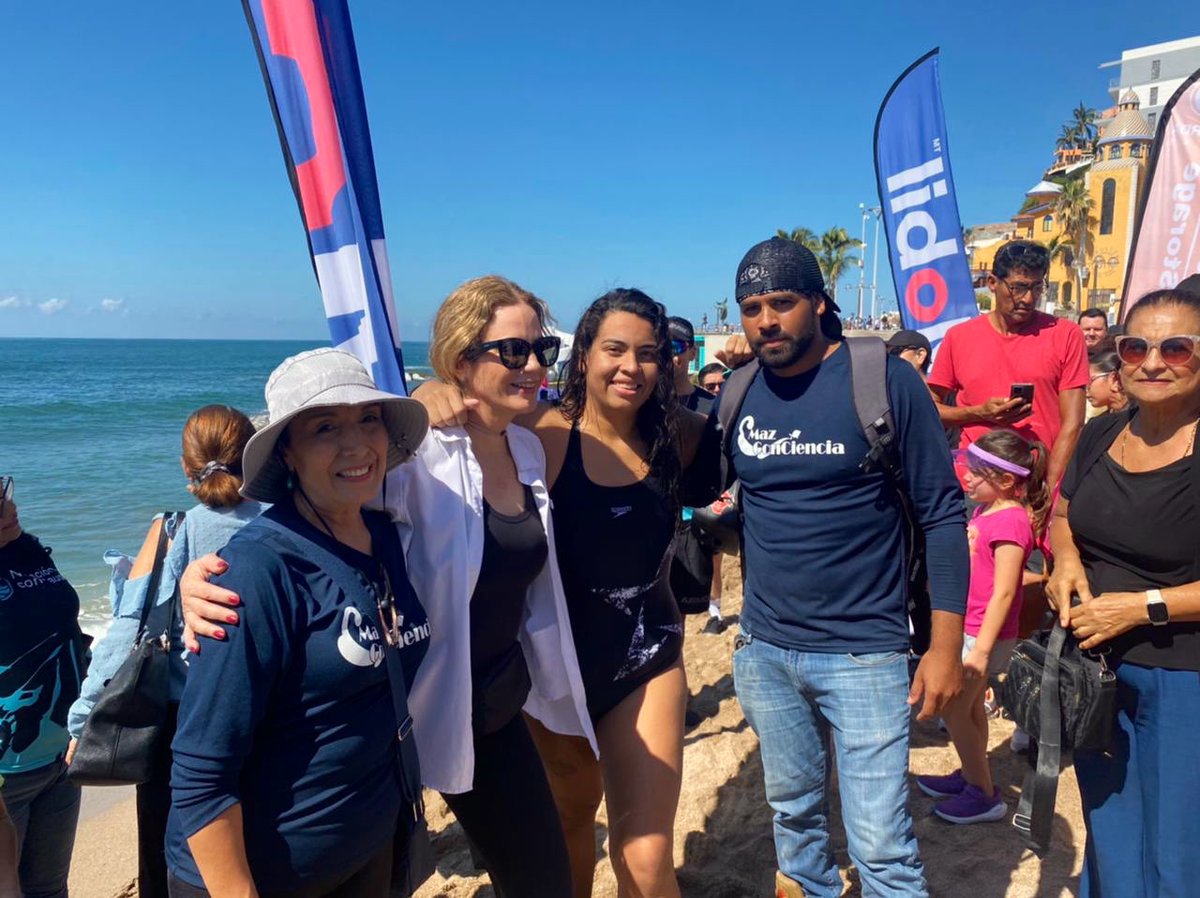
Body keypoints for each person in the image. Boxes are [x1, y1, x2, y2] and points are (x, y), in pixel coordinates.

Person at [413, 288, 719, 898]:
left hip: (646, 660)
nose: (631, 366)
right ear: (582, 357)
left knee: (646, 857)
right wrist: (424, 393)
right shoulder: (538, 436)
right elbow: (464, 424)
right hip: (553, 673)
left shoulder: (682, 436)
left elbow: (774, 479)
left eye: (648, 353)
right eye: (614, 349)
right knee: (570, 825)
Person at [722, 237, 967, 897]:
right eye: (752, 307)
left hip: (866, 654)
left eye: (781, 302)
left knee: (882, 847)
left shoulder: (884, 379)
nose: (766, 319)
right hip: (766, 651)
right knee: (794, 821)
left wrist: (944, 649)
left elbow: (943, 515)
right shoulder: (739, 392)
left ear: (819, 302)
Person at [165, 349, 431, 898]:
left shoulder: (383, 536)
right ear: (286, 452)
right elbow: (201, 775)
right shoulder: (255, 572)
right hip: (264, 873)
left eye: (369, 419)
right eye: (325, 427)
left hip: (368, 845)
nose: (356, 444)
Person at [64, 406, 261, 898]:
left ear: (184, 466)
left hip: (185, 721)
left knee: (168, 853)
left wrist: (83, 720)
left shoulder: (175, 528)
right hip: (269, 707)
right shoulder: (288, 522)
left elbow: (126, 632)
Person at [1047, 288, 1200, 897]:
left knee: (1177, 846)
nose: (1153, 362)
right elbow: (1061, 514)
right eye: (1135, 347)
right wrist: (1064, 561)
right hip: (1097, 670)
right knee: (1108, 828)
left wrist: (1143, 607)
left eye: (1177, 348)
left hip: (1183, 677)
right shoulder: (1100, 434)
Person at [916, 429, 1047, 823]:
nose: (966, 478)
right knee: (968, 709)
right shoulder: (985, 511)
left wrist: (982, 650)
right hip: (970, 629)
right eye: (966, 468)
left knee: (955, 711)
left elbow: (1005, 592)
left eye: (976, 472)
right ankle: (974, 774)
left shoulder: (1009, 521)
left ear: (1007, 481)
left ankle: (984, 794)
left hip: (981, 635)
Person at [928, 239, 1088, 493]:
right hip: (975, 487)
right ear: (993, 283)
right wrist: (980, 412)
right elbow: (930, 411)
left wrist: (1048, 488)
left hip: (1036, 483)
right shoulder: (959, 337)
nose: (1027, 298)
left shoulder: (1066, 334)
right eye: (1018, 287)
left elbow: (1073, 423)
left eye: (1037, 288)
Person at [0, 482, 87, 898]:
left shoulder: (28, 549)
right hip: (6, 772)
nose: (10, 508)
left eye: (3, 492)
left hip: (62, 757)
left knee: (50, 889)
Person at [1086, 340, 1131, 416]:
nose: (1086, 390)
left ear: (1114, 379)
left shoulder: (1140, 419)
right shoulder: (1101, 421)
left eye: (1090, 381)